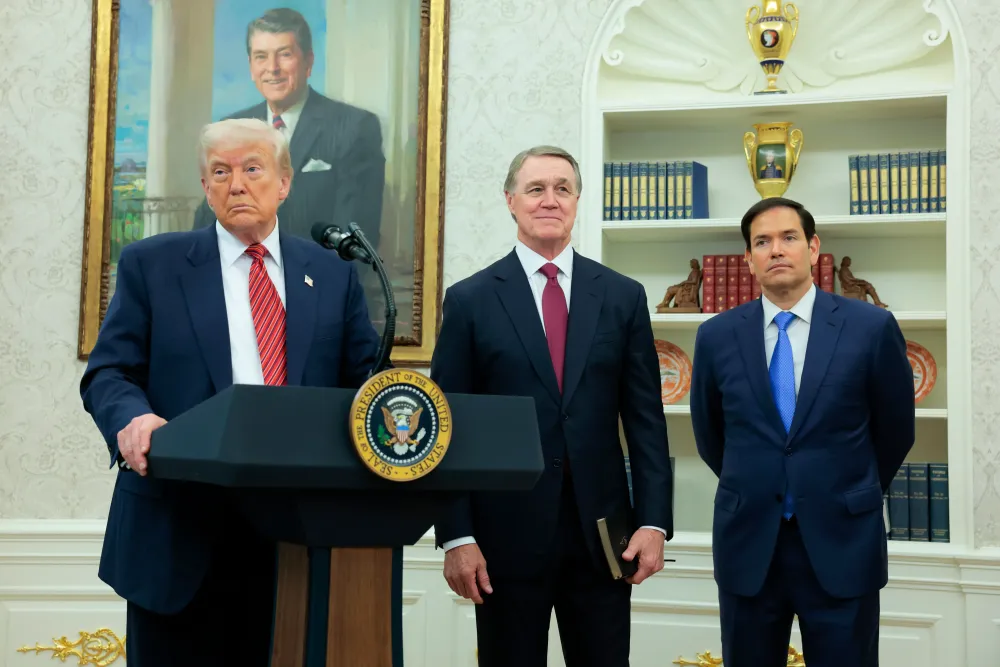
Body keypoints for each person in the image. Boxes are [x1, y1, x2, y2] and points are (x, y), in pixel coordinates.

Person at [80, 118, 380, 666]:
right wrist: (133, 419)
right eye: (220, 172)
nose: (236, 184)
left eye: (252, 169)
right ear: (205, 186)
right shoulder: (153, 264)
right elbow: (109, 373)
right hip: (177, 533)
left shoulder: (332, 273)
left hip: (296, 538)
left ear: (284, 182)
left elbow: (366, 383)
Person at [430, 145, 674, 666]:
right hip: (503, 539)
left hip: (605, 540)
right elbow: (447, 427)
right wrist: (456, 535)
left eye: (563, 189)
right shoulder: (470, 300)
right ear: (510, 201)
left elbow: (646, 422)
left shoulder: (622, 296)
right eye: (536, 188)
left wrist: (654, 522)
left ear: (577, 200)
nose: (550, 199)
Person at [689, 197, 915, 667]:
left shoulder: (871, 327)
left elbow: (895, 430)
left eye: (788, 237)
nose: (776, 250)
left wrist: (848, 489)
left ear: (813, 248)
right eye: (762, 242)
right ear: (748, 258)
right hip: (750, 544)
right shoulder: (716, 335)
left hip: (843, 540)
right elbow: (711, 435)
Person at [192, 7, 385, 253]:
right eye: (261, 56)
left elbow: (356, 240)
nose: (272, 68)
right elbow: (207, 221)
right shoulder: (231, 127)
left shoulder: (354, 127)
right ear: (251, 66)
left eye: (284, 54)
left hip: (314, 275)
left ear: (308, 62)